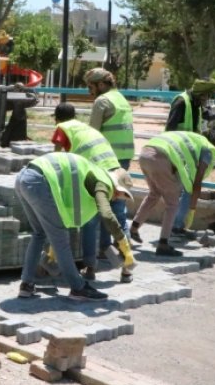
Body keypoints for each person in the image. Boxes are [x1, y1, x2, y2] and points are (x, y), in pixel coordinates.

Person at [15, 152, 135, 301]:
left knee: (40, 233)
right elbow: (106, 214)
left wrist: (53, 244)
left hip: (24, 177)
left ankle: (26, 285)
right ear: (117, 186)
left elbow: (67, 207)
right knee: (61, 240)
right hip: (39, 182)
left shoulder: (94, 173)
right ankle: (78, 288)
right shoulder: (102, 183)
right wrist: (123, 242)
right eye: (119, 195)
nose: (116, 198)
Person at [50, 103, 135, 283]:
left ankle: (90, 268)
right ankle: (126, 266)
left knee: (90, 220)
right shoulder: (85, 128)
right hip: (116, 172)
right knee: (116, 220)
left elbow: (55, 158)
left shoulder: (62, 127)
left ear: (57, 118)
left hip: (97, 175)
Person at [153, 79, 215, 242]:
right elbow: (170, 128)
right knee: (182, 189)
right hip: (178, 152)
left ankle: (177, 225)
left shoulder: (196, 103)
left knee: (187, 188)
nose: (206, 101)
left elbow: (205, 115)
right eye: (206, 97)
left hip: (189, 152)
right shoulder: (181, 102)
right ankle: (175, 227)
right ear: (201, 94)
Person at [128, 131, 215, 256]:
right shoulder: (207, 150)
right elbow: (197, 183)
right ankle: (163, 244)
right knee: (172, 204)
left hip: (145, 154)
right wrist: (191, 211)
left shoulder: (193, 139)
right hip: (160, 158)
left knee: (154, 194)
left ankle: (133, 229)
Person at [83, 68, 135, 252]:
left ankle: (117, 250)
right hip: (124, 159)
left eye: (92, 86)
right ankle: (115, 250)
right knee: (117, 204)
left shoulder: (102, 101)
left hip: (106, 160)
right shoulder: (121, 98)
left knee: (103, 205)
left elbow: (93, 133)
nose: (90, 91)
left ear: (101, 84)